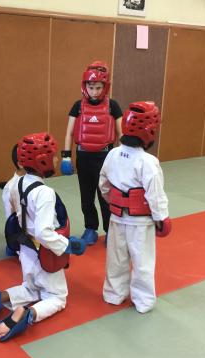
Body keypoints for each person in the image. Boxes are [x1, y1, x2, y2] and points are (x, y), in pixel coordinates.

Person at [0, 132, 86, 342]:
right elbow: (44, 231)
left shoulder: (17, 183)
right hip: (44, 253)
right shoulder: (44, 192)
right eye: (52, 156)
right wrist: (67, 245)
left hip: (25, 250)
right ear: (41, 160)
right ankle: (27, 314)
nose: (55, 159)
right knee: (57, 297)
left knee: (32, 288)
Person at [98, 101, 171, 314]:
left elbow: (103, 183)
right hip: (140, 222)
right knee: (142, 262)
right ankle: (143, 300)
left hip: (116, 218)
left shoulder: (112, 154)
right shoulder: (148, 161)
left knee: (116, 259)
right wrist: (162, 218)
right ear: (149, 131)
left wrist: (112, 201)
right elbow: (155, 195)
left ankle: (114, 294)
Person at [60, 61, 123, 245]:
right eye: (91, 86)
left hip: (105, 157)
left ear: (105, 87)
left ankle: (110, 230)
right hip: (84, 157)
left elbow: (121, 133)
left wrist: (123, 158)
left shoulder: (113, 106)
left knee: (105, 197)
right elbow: (70, 132)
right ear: (84, 86)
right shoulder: (77, 106)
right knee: (86, 196)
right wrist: (66, 156)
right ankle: (90, 228)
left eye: (98, 87)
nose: (94, 91)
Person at [1, 144, 25, 256]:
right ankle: (13, 246)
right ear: (20, 164)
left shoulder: (36, 180)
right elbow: (10, 218)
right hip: (21, 232)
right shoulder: (10, 188)